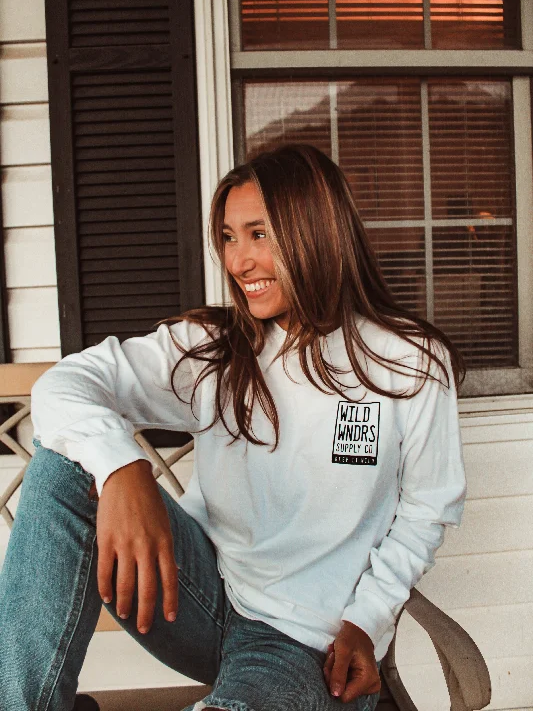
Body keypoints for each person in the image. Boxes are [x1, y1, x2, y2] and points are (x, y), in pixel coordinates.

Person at [0, 144, 467, 711]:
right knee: (62, 464)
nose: (238, 261)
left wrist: (368, 621)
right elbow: (63, 384)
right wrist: (123, 468)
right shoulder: (215, 350)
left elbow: (425, 511)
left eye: (259, 234)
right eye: (227, 236)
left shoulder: (409, 362)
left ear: (315, 231)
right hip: (198, 596)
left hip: (302, 640)